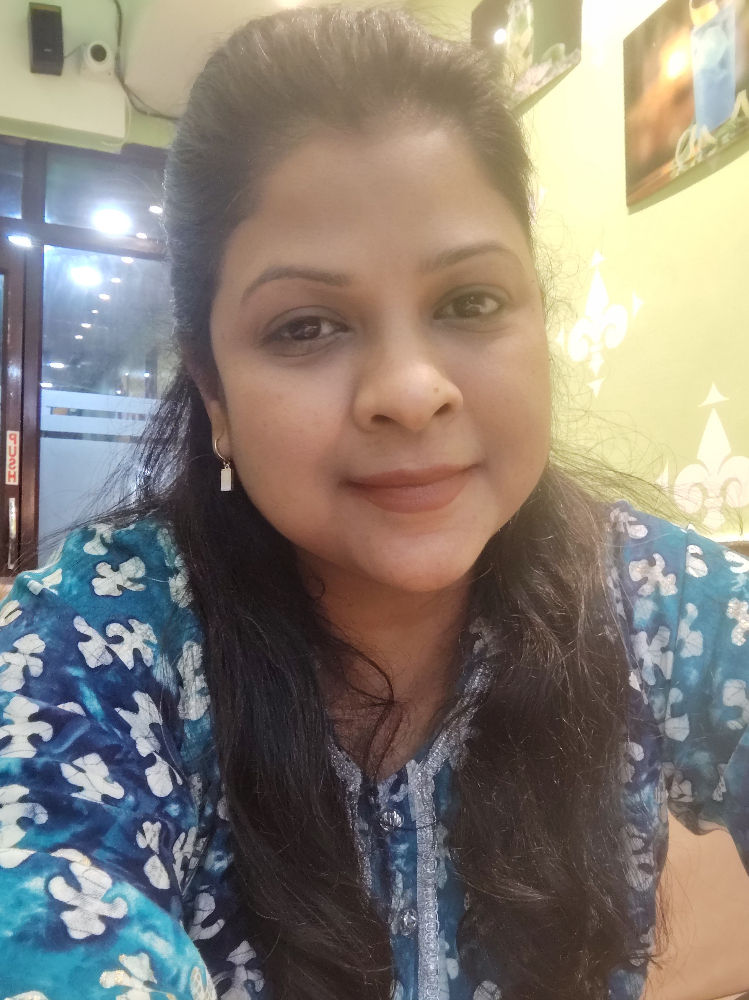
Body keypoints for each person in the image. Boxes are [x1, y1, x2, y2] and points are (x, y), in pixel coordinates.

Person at [0, 6, 748, 1000]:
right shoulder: (94, 648)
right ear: (213, 392)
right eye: (306, 326)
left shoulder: (652, 599)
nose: (409, 389)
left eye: (470, 302)